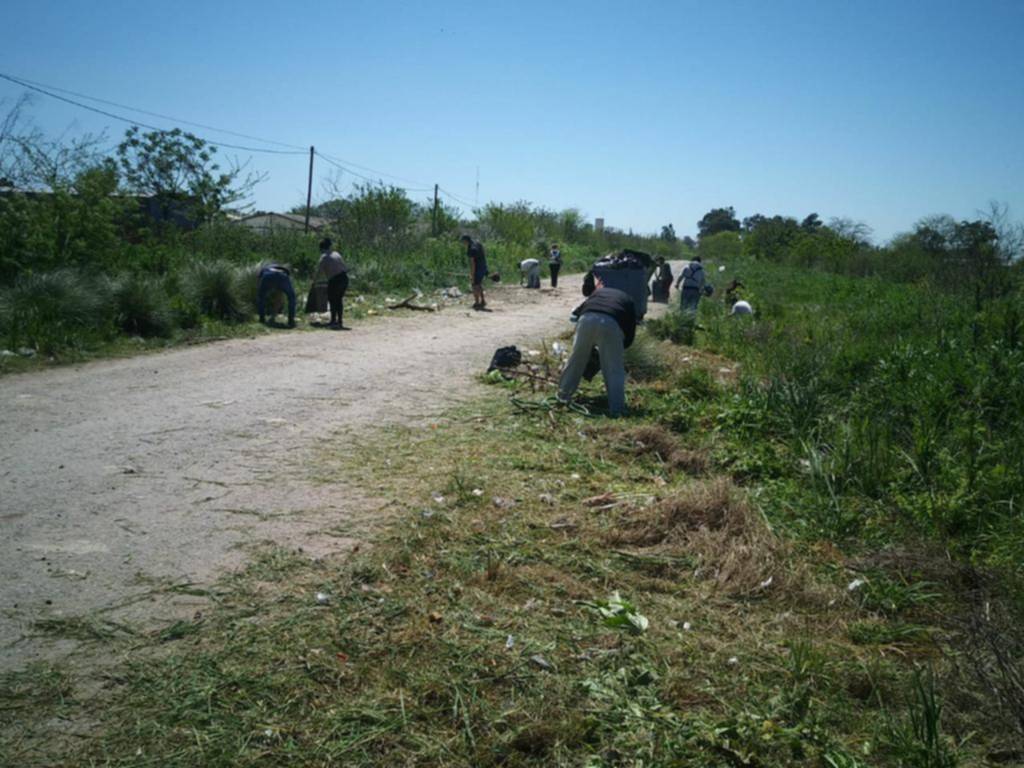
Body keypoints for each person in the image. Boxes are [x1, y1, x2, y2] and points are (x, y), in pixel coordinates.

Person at [557, 273, 637, 417]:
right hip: (611, 323)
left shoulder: (597, 293)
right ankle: (617, 409)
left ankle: (562, 397)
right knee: (614, 369)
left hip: (586, 319)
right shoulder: (628, 300)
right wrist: (619, 348)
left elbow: (575, 314)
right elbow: (630, 331)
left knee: (575, 361)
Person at [314, 238, 349, 329]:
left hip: (335, 280)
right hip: (344, 278)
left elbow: (319, 272)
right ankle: (339, 321)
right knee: (339, 300)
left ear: (321, 248)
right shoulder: (336, 254)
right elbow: (344, 267)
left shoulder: (324, 257)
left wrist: (314, 282)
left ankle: (333, 321)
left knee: (332, 300)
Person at [257, 263, 297, 327]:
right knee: (292, 298)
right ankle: (291, 320)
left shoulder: (265, 269)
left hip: (268, 276)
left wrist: (262, 292)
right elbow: (279, 297)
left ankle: (262, 318)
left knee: (261, 297)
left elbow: (259, 280)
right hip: (282, 276)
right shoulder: (285, 271)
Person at [460, 234, 488, 310]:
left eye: (463, 241)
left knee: (475, 285)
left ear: (466, 241)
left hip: (478, 268)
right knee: (479, 284)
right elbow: (484, 253)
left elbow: (472, 263)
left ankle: (477, 303)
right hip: (484, 266)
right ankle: (483, 301)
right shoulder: (478, 243)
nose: (463, 243)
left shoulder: (471, 249)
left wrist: (472, 274)